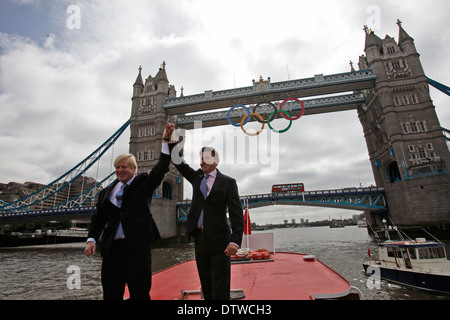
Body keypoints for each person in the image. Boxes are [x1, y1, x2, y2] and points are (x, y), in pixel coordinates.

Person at [84, 123, 175, 300]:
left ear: (134, 169)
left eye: (124, 167)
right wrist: (91, 239)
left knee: (140, 293)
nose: (120, 170)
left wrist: (165, 140)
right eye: (117, 167)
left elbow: (161, 168)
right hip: (112, 250)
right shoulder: (105, 192)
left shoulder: (143, 183)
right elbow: (99, 219)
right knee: (110, 294)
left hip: (137, 248)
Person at [169, 128, 244, 300]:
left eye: (207, 159)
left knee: (220, 286)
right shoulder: (196, 177)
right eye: (201, 159)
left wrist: (235, 240)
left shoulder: (228, 183)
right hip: (200, 239)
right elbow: (178, 162)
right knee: (206, 285)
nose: (202, 162)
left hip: (220, 240)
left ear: (217, 161)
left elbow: (236, 214)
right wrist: (172, 140)